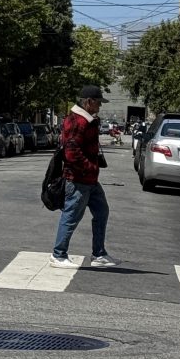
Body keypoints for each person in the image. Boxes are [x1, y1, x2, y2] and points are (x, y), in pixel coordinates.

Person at [51, 85, 121, 269]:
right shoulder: (78, 121)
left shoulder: (86, 120)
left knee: (101, 211)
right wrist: (89, 167)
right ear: (88, 102)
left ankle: (99, 254)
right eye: (98, 102)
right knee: (71, 215)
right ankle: (58, 255)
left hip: (89, 179)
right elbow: (71, 152)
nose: (100, 106)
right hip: (78, 179)